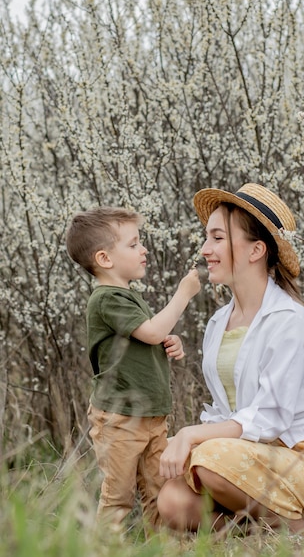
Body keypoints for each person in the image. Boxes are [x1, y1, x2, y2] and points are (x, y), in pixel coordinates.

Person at [157, 183, 304, 537]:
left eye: (217, 238)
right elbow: (223, 410)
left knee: (208, 461)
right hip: (239, 462)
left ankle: (301, 533)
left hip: (303, 464)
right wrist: (177, 444)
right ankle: (256, 534)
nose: (205, 250)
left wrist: (192, 436)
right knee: (171, 501)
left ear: (256, 250)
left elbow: (271, 417)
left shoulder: (288, 320)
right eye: (206, 238)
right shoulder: (217, 323)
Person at [66, 206, 200, 531]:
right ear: (105, 259)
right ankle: (104, 549)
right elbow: (150, 330)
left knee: (161, 491)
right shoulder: (106, 299)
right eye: (133, 244)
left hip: (153, 415)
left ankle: (167, 548)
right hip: (121, 418)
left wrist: (169, 341)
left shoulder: (127, 295)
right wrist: (183, 295)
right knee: (118, 497)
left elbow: (149, 334)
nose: (144, 250)